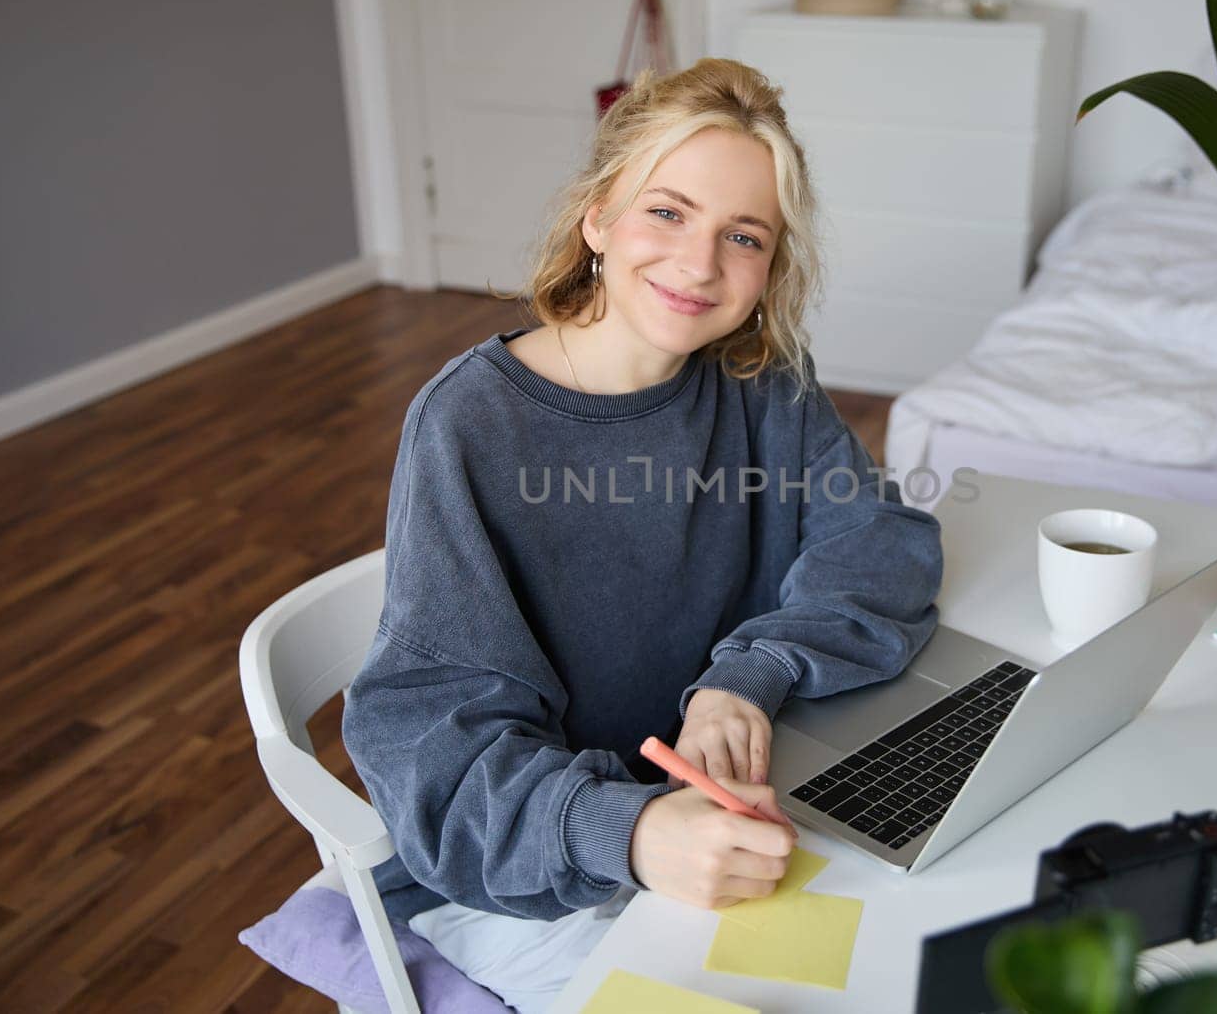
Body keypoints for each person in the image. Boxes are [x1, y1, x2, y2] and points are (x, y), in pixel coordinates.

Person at [341, 57, 944, 1013]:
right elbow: (435, 750)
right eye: (666, 212)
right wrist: (625, 830)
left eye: (742, 235)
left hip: (745, 804)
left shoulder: (762, 379)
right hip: (546, 864)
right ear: (596, 217)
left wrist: (750, 674)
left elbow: (879, 544)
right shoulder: (469, 426)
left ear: (773, 263)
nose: (700, 264)